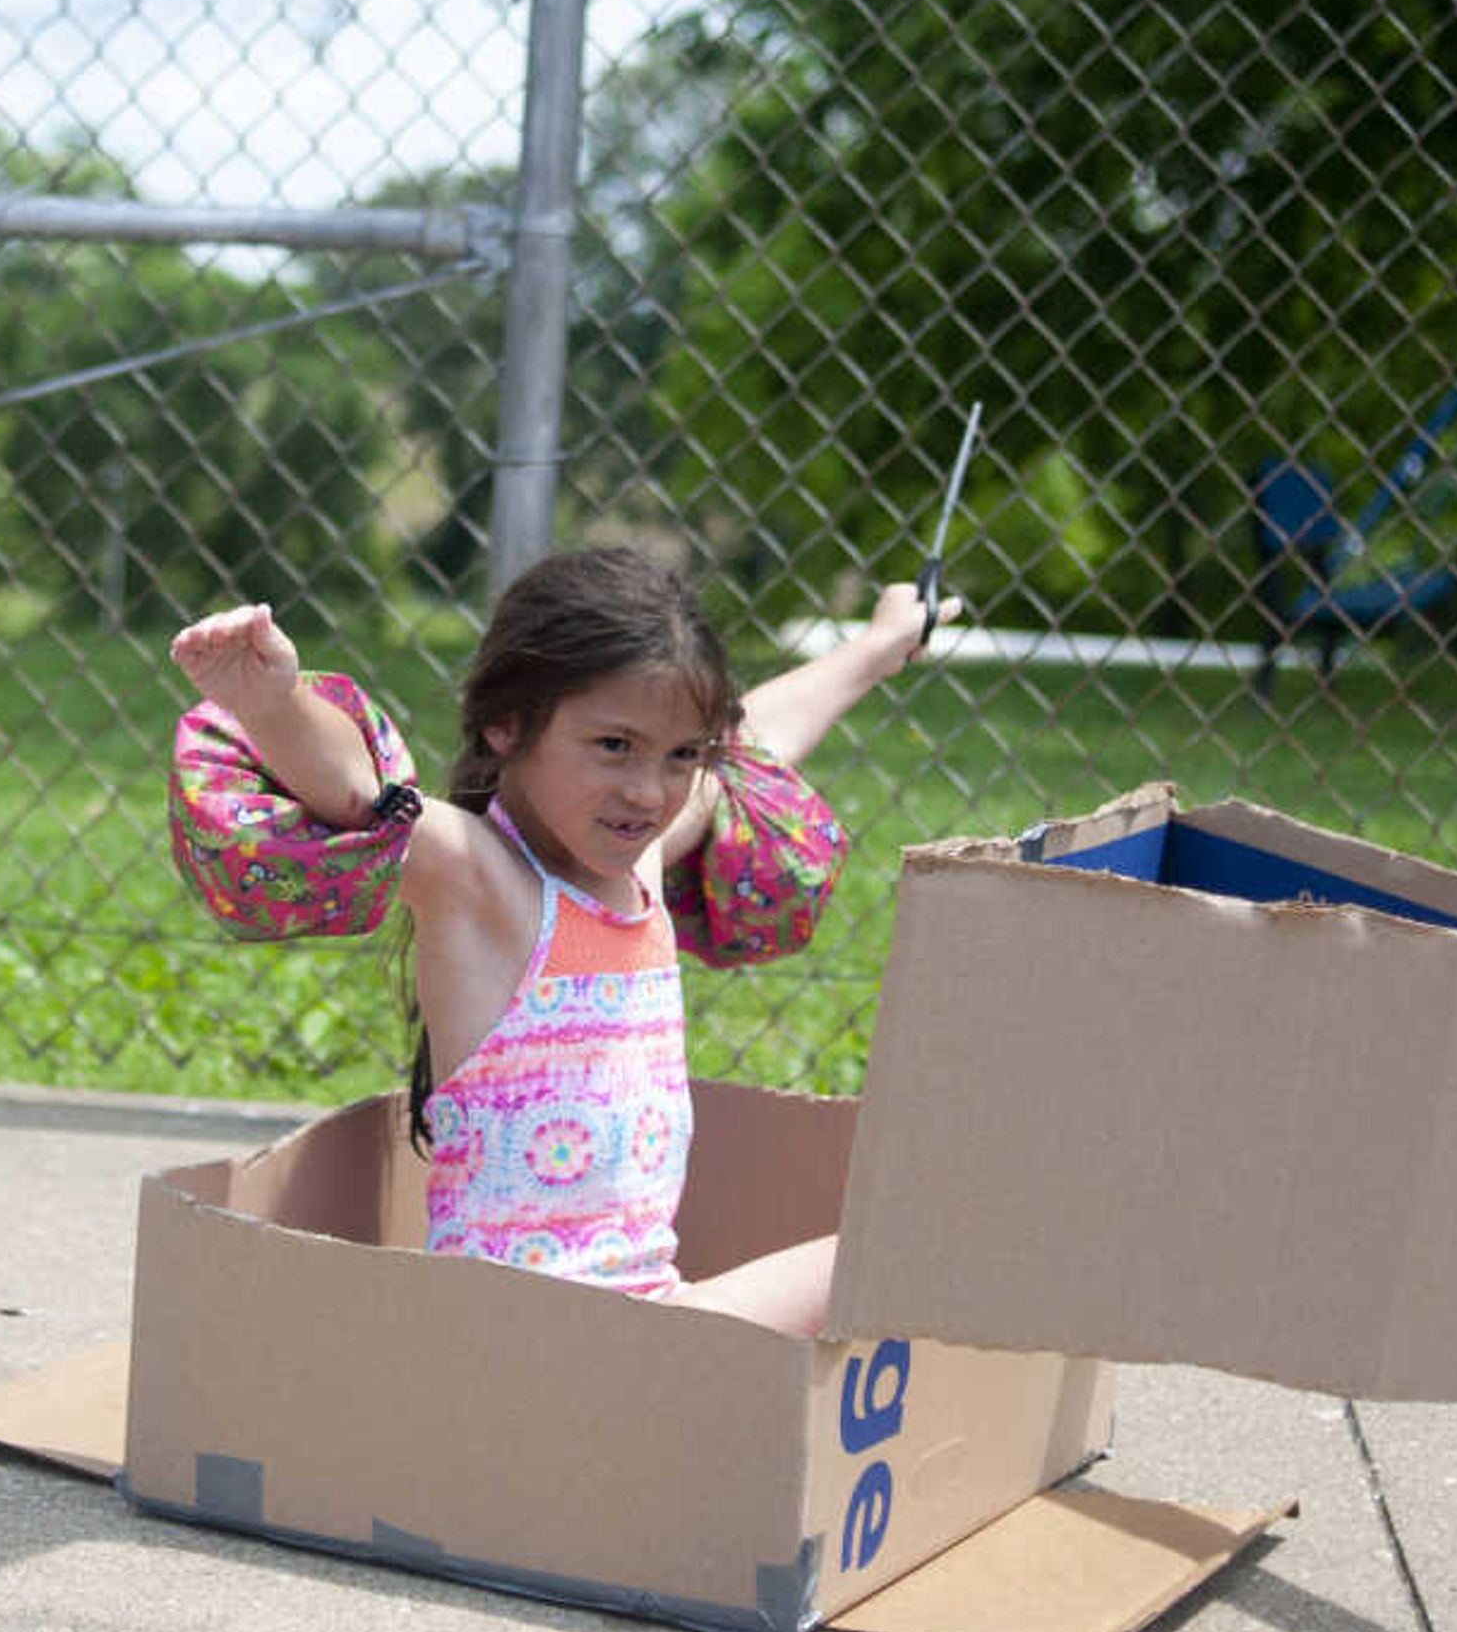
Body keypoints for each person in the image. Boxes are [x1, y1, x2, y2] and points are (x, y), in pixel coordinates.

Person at [166, 550, 949, 1329]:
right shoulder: (484, 882)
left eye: (682, 755)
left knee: (909, 1232)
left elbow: (758, 741)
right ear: (508, 724)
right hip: (533, 1342)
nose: (649, 791)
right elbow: (360, 793)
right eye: (614, 746)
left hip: (641, 1325)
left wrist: (877, 648)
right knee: (916, 1239)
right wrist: (272, 706)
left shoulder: (638, 865)